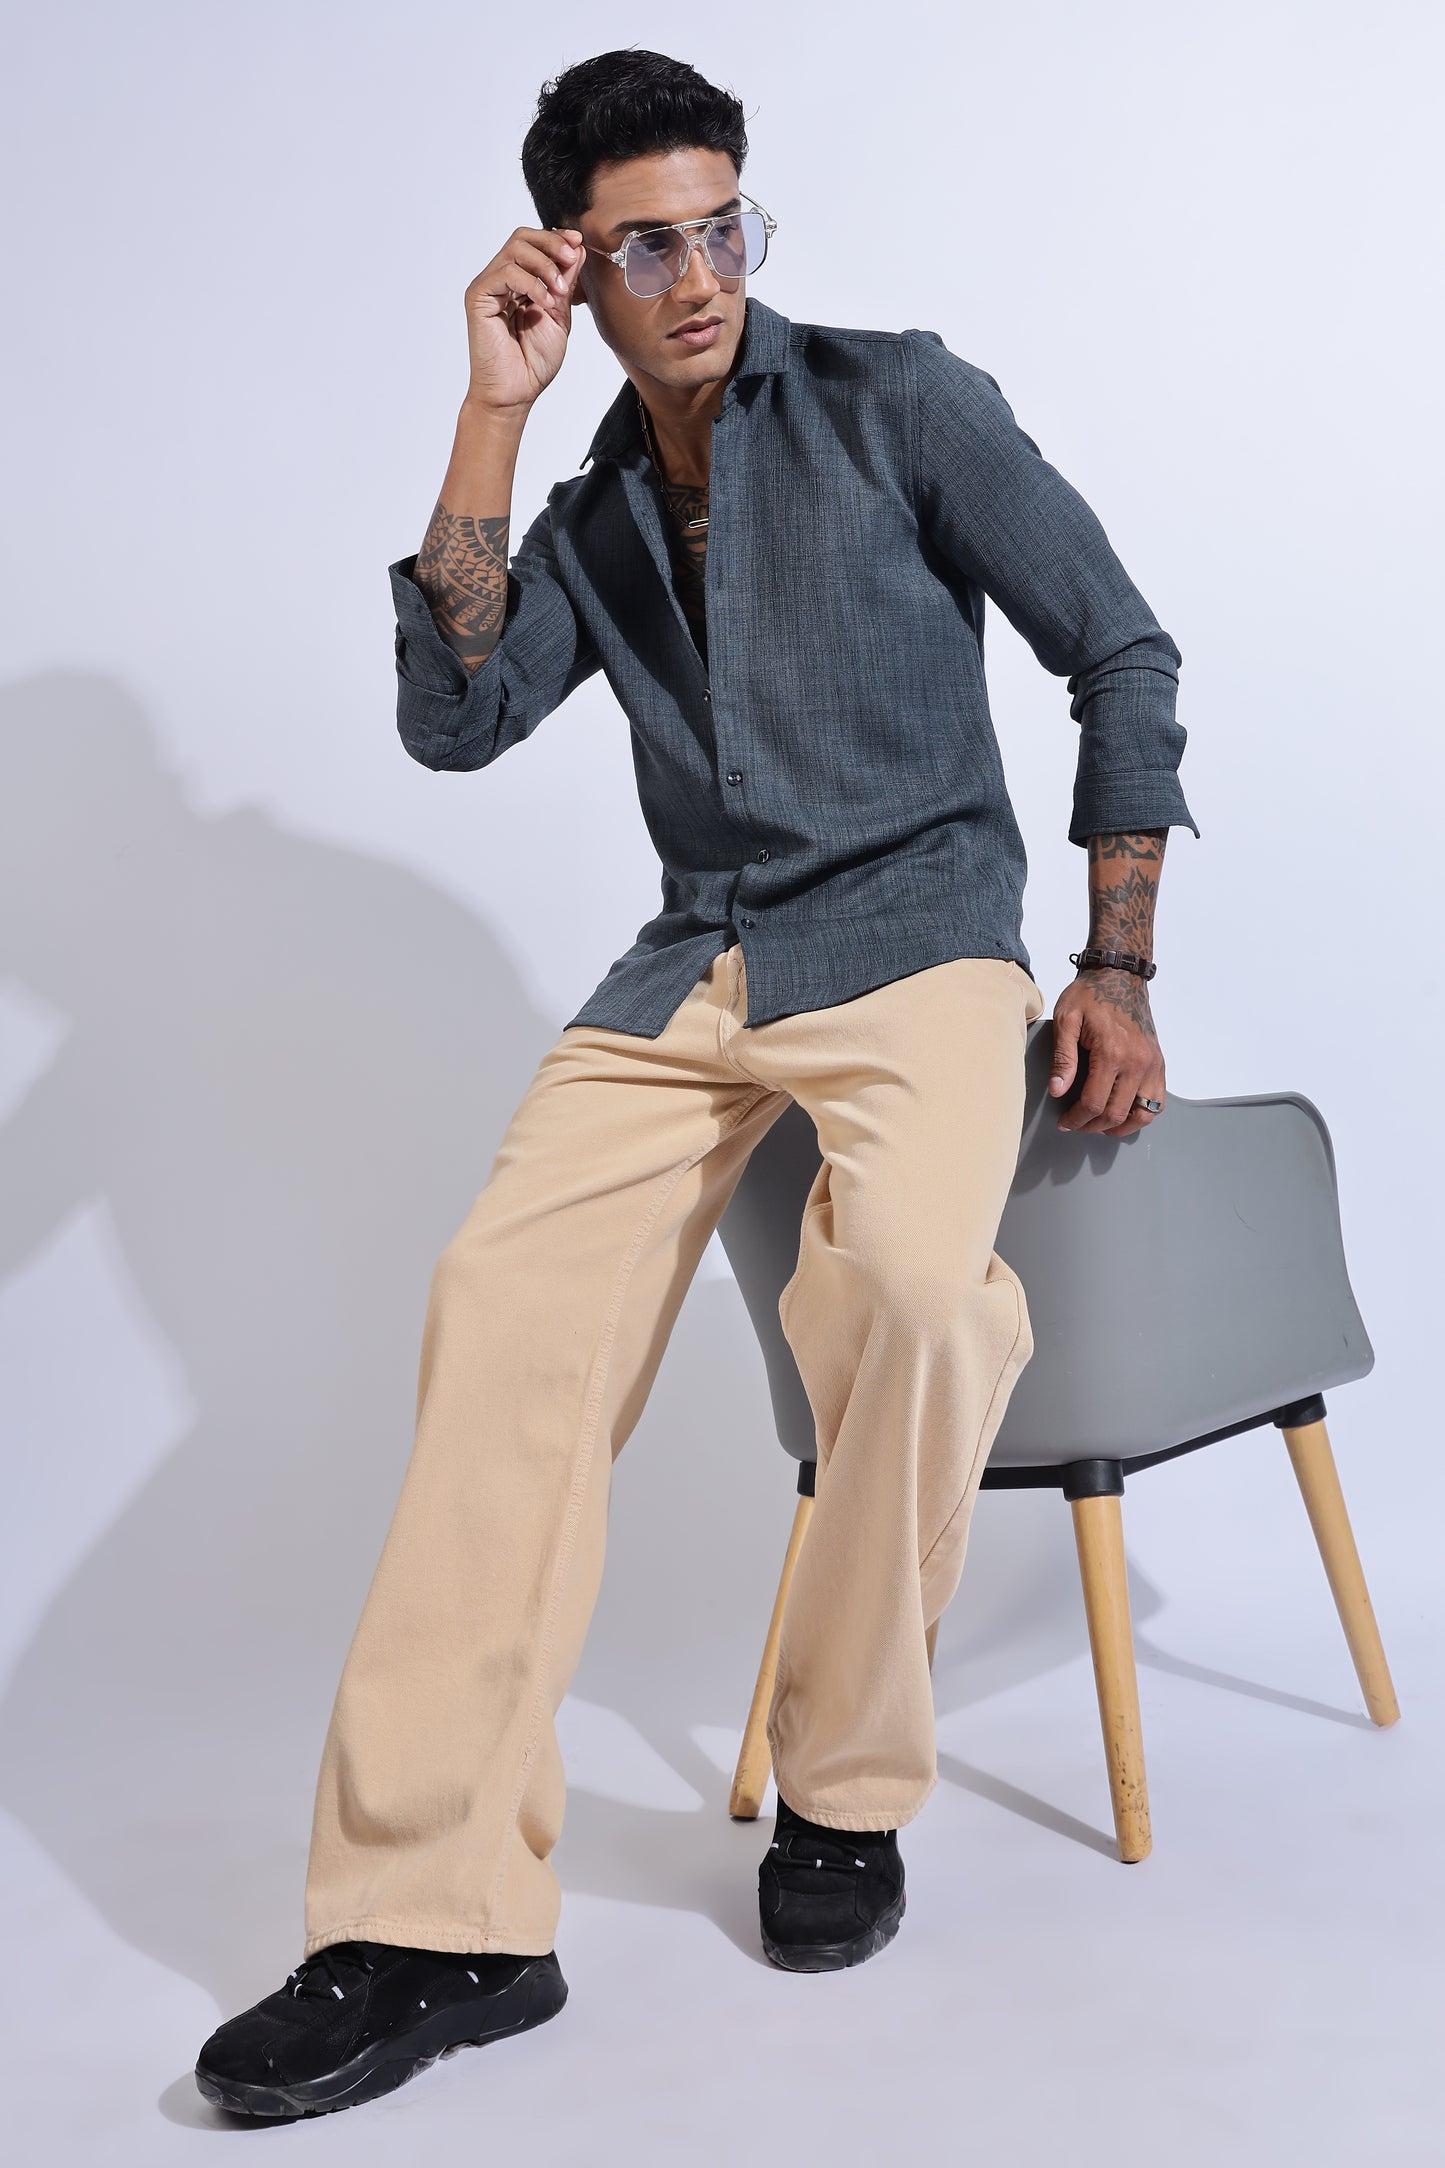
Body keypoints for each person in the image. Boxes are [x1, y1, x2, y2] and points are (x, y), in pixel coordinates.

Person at [195, 45, 1197, 2120]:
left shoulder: (900, 402)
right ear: (574, 269)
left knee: (912, 1294)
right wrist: (492, 410)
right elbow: (456, 721)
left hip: (920, 939)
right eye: (647, 245)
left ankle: (845, 1786)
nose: (704, 274)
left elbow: (1120, 647)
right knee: (498, 1307)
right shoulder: (583, 513)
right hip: (696, 967)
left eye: (723, 225)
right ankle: (438, 1920)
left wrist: (1115, 961)